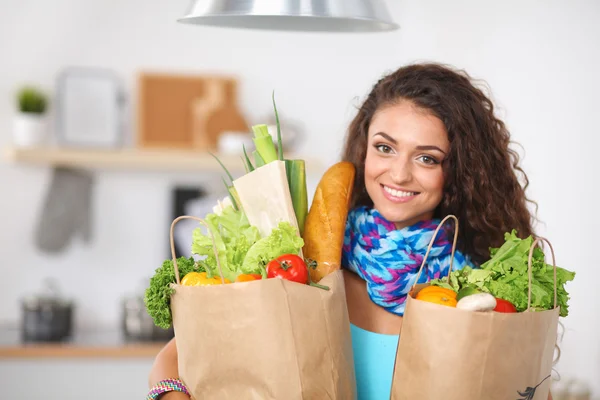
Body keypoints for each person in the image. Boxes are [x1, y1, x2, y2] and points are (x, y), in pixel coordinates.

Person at [147, 63, 550, 400]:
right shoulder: (304, 259)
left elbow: (530, 388)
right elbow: (175, 359)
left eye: (427, 158)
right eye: (385, 147)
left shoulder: (478, 291)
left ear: (458, 172)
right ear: (364, 148)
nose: (398, 173)